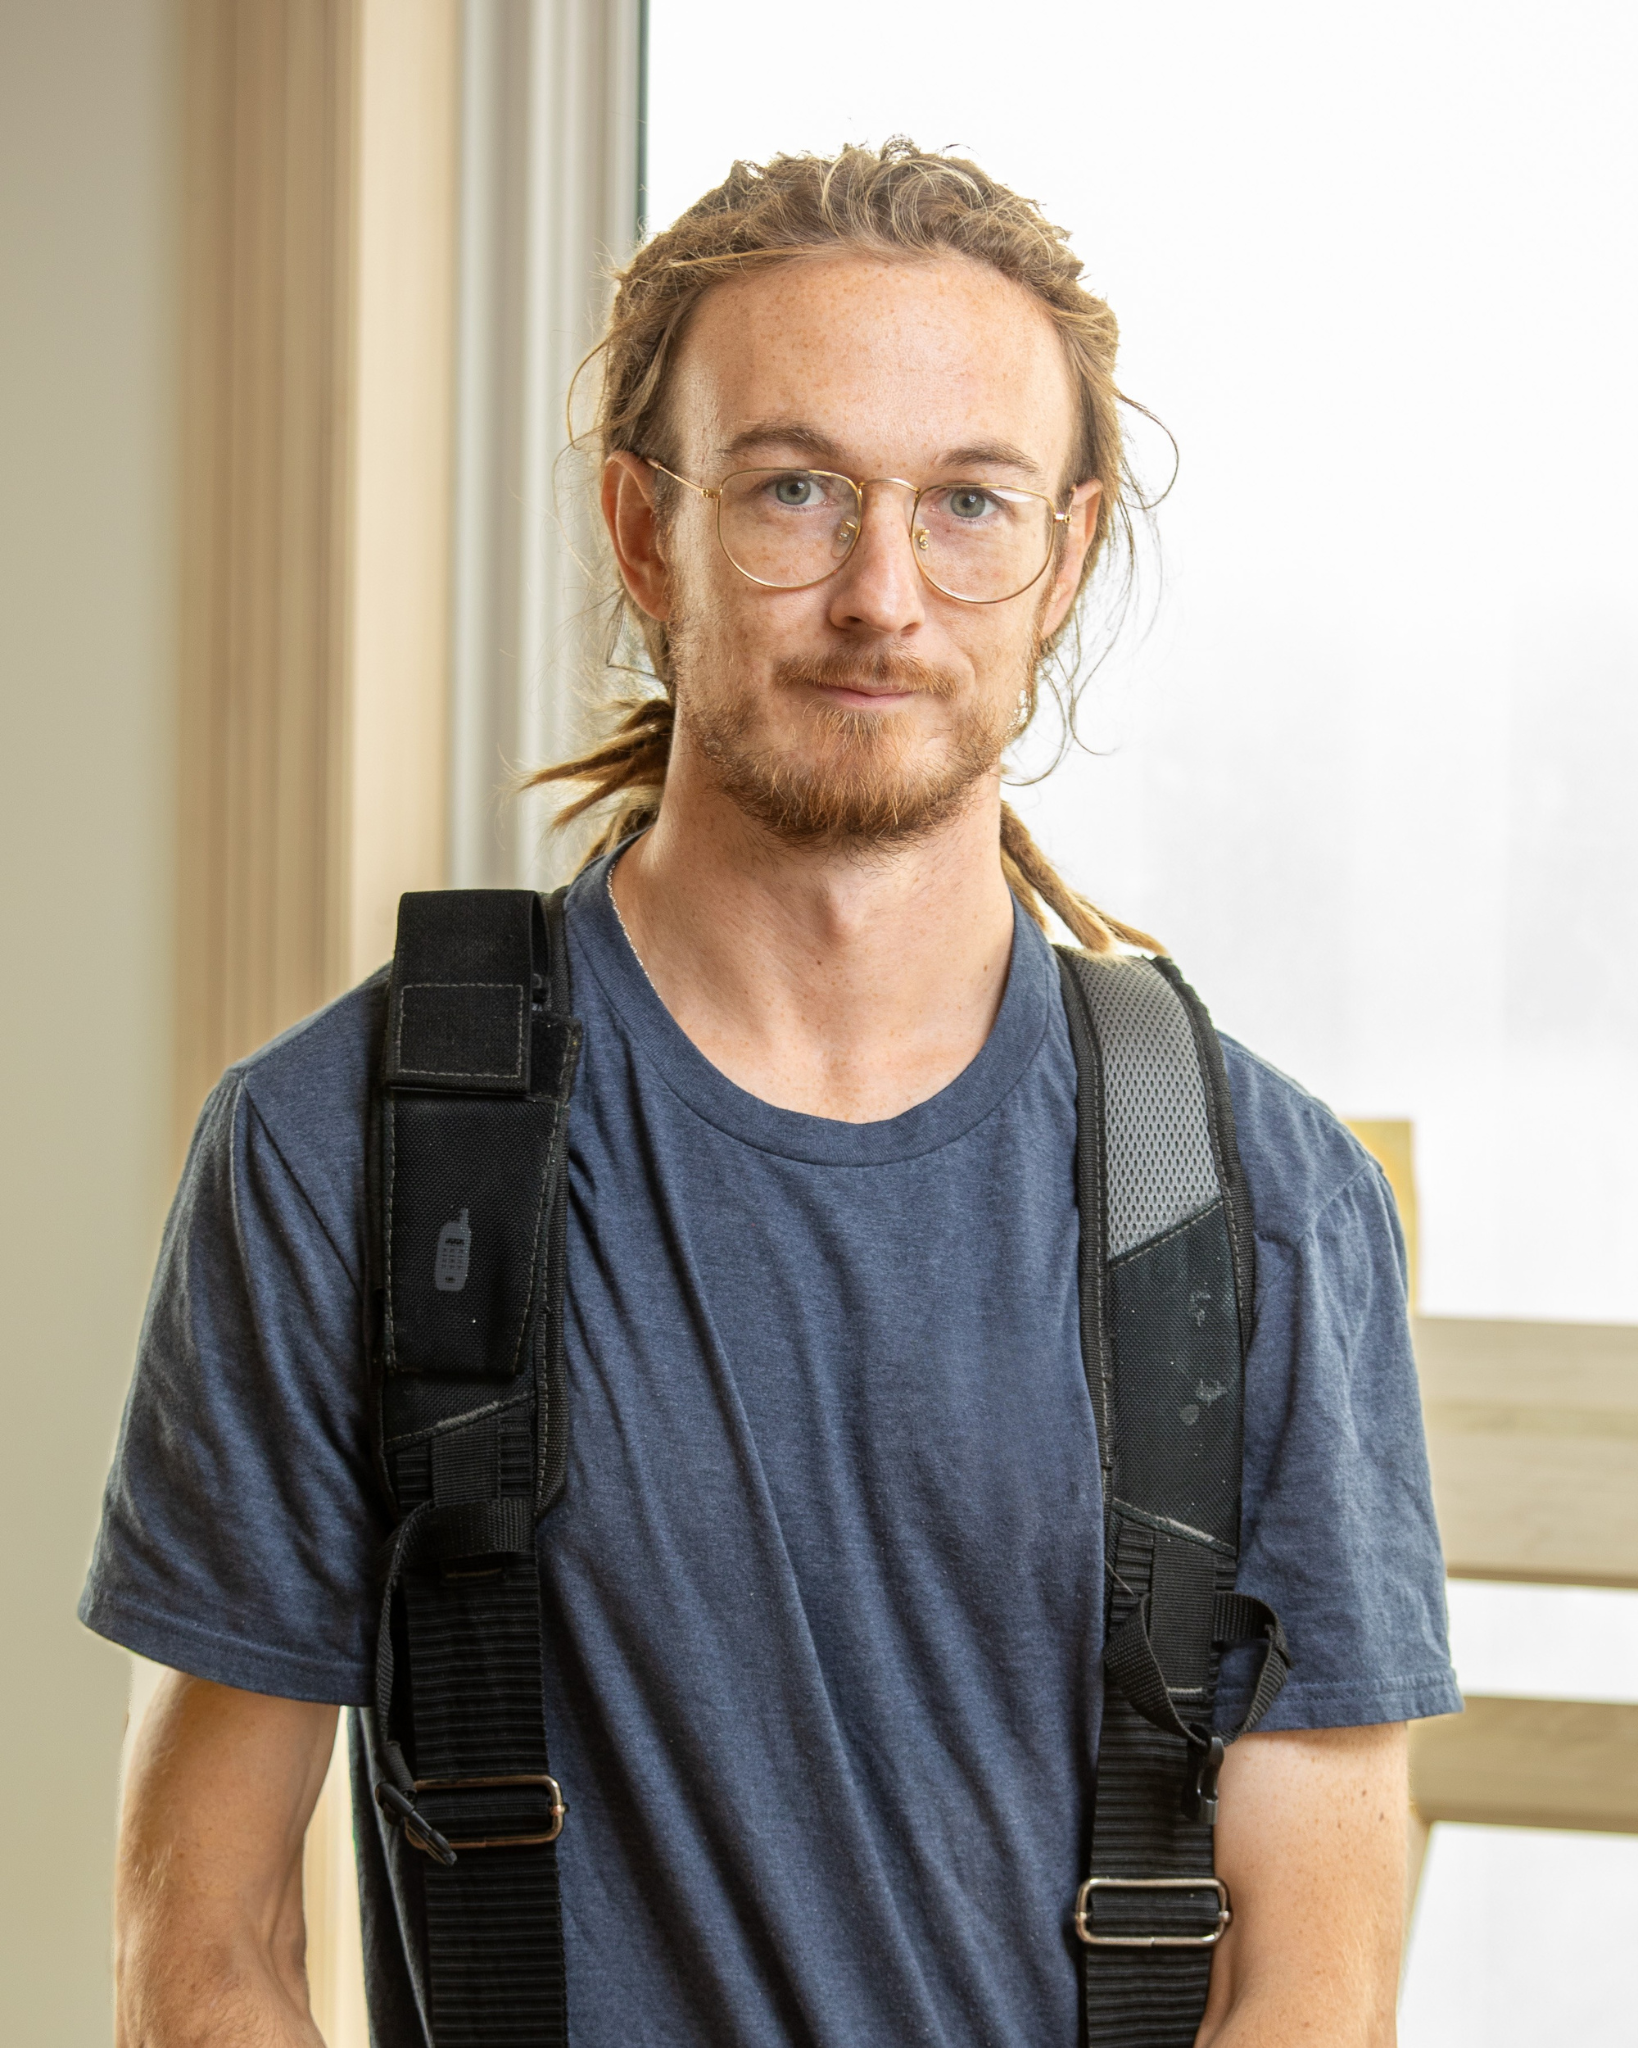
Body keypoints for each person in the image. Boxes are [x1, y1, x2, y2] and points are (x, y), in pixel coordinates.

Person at [86, 141, 1457, 2047]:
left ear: (1057, 558)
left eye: (969, 503)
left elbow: (1308, 1983)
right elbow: (202, 1943)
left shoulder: (1261, 1199)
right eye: (795, 490)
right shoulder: (350, 1150)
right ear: (644, 531)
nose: (881, 595)